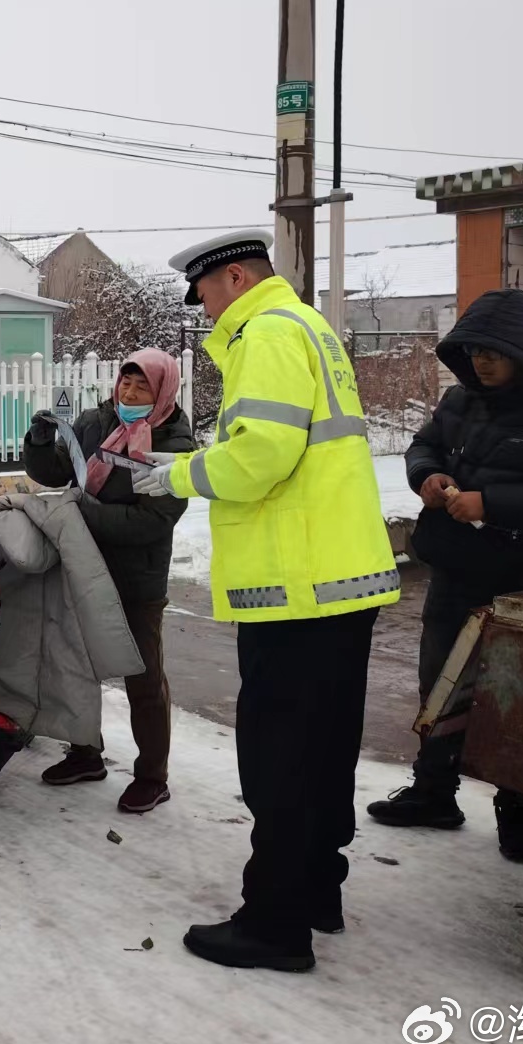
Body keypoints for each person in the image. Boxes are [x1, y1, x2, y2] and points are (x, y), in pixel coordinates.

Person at [134, 228, 401, 973]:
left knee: (279, 756)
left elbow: (260, 456)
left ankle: (274, 924)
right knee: (322, 749)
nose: (207, 312)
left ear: (237, 281)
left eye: (208, 295)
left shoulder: (268, 335)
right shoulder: (311, 329)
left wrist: (176, 475)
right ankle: (317, 890)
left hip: (296, 586)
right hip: (338, 577)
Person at [368, 288, 523, 860]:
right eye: (474, 351)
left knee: (518, 699)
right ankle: (434, 792)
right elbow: (422, 447)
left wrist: (493, 503)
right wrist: (427, 477)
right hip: (456, 570)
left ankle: (519, 816)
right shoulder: (462, 399)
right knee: (440, 684)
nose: (481, 362)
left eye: (494, 352)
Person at [22, 349, 193, 814]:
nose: (129, 393)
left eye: (142, 387)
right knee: (77, 663)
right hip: (84, 564)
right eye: (125, 383)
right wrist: (39, 443)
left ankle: (152, 776)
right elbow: (59, 469)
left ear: (162, 392)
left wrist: (86, 510)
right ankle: (84, 752)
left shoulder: (174, 445)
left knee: (143, 676)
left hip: (137, 576)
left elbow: (152, 521)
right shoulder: (97, 421)